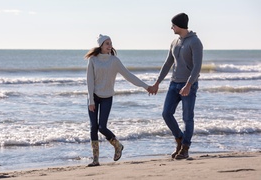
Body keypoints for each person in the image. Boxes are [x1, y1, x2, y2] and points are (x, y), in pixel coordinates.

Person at [85, 34, 151, 166]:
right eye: (107, 43)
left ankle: (117, 146)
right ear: (101, 45)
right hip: (93, 97)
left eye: (110, 43)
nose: (110, 46)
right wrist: (91, 100)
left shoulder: (114, 61)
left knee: (102, 127)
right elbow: (89, 81)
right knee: (93, 127)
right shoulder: (93, 60)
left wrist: (145, 86)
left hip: (107, 97)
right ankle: (95, 160)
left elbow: (129, 76)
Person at [149, 13, 203, 159]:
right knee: (166, 113)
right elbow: (168, 63)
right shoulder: (174, 42)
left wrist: (188, 85)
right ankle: (179, 139)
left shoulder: (195, 42)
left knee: (187, 117)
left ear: (179, 25)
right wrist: (157, 82)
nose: (171, 27)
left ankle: (185, 148)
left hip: (188, 85)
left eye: (173, 25)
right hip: (174, 83)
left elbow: (197, 67)